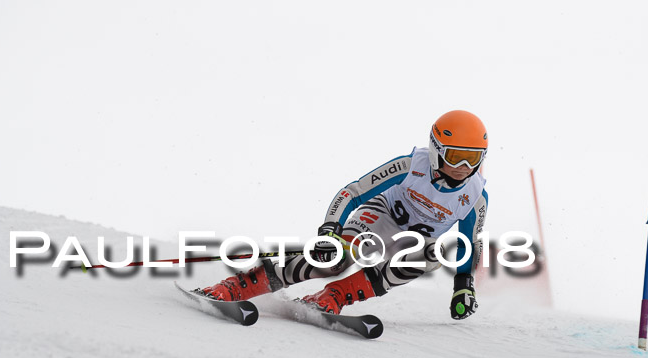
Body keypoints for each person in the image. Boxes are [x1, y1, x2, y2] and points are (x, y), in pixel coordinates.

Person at [201, 110, 489, 320]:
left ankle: (334, 295)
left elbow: (468, 244)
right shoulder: (410, 165)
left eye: (473, 158)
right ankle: (238, 285)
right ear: (437, 150)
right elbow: (352, 192)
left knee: (431, 256)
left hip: (414, 242)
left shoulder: (475, 197)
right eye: (455, 156)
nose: (463, 166)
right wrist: (330, 232)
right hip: (382, 217)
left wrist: (464, 286)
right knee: (334, 259)